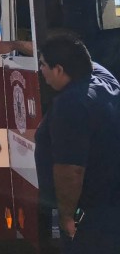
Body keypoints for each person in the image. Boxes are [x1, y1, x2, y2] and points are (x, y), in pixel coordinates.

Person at [33, 35, 120, 252]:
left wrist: (67, 216)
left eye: (42, 64)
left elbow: (71, 171)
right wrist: (15, 46)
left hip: (91, 215)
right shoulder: (104, 80)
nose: (40, 71)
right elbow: (78, 56)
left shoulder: (70, 105)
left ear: (59, 69)